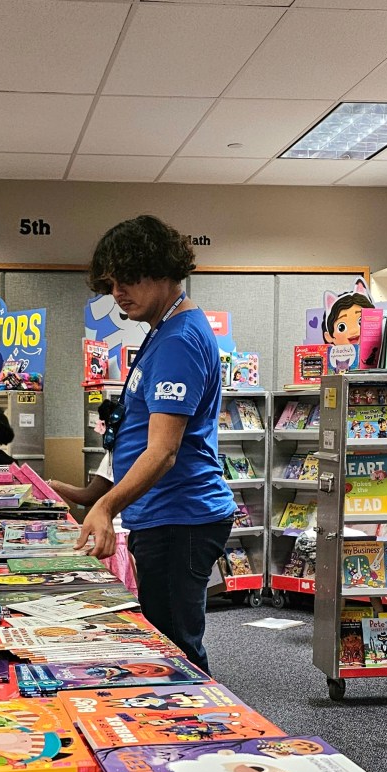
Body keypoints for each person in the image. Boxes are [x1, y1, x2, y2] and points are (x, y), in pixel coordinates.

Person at [76, 215, 235, 672]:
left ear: (163, 269)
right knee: (167, 638)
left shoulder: (179, 340)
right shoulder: (162, 330)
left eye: (127, 279)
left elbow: (163, 451)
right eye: (110, 285)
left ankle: (196, 735)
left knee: (175, 649)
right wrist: (91, 495)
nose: (118, 293)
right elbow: (137, 427)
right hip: (165, 515)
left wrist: (105, 508)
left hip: (179, 518)